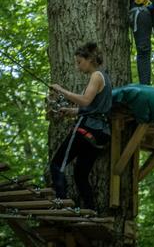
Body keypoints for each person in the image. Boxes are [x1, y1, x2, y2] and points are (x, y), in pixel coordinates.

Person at [49, 42, 112, 212]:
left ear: (89, 59)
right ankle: (91, 211)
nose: (78, 66)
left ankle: (61, 205)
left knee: (57, 165)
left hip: (87, 129)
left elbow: (85, 101)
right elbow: (93, 108)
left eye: (79, 62)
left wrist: (61, 90)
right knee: (80, 175)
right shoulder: (105, 77)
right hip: (100, 133)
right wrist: (72, 111)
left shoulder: (96, 76)